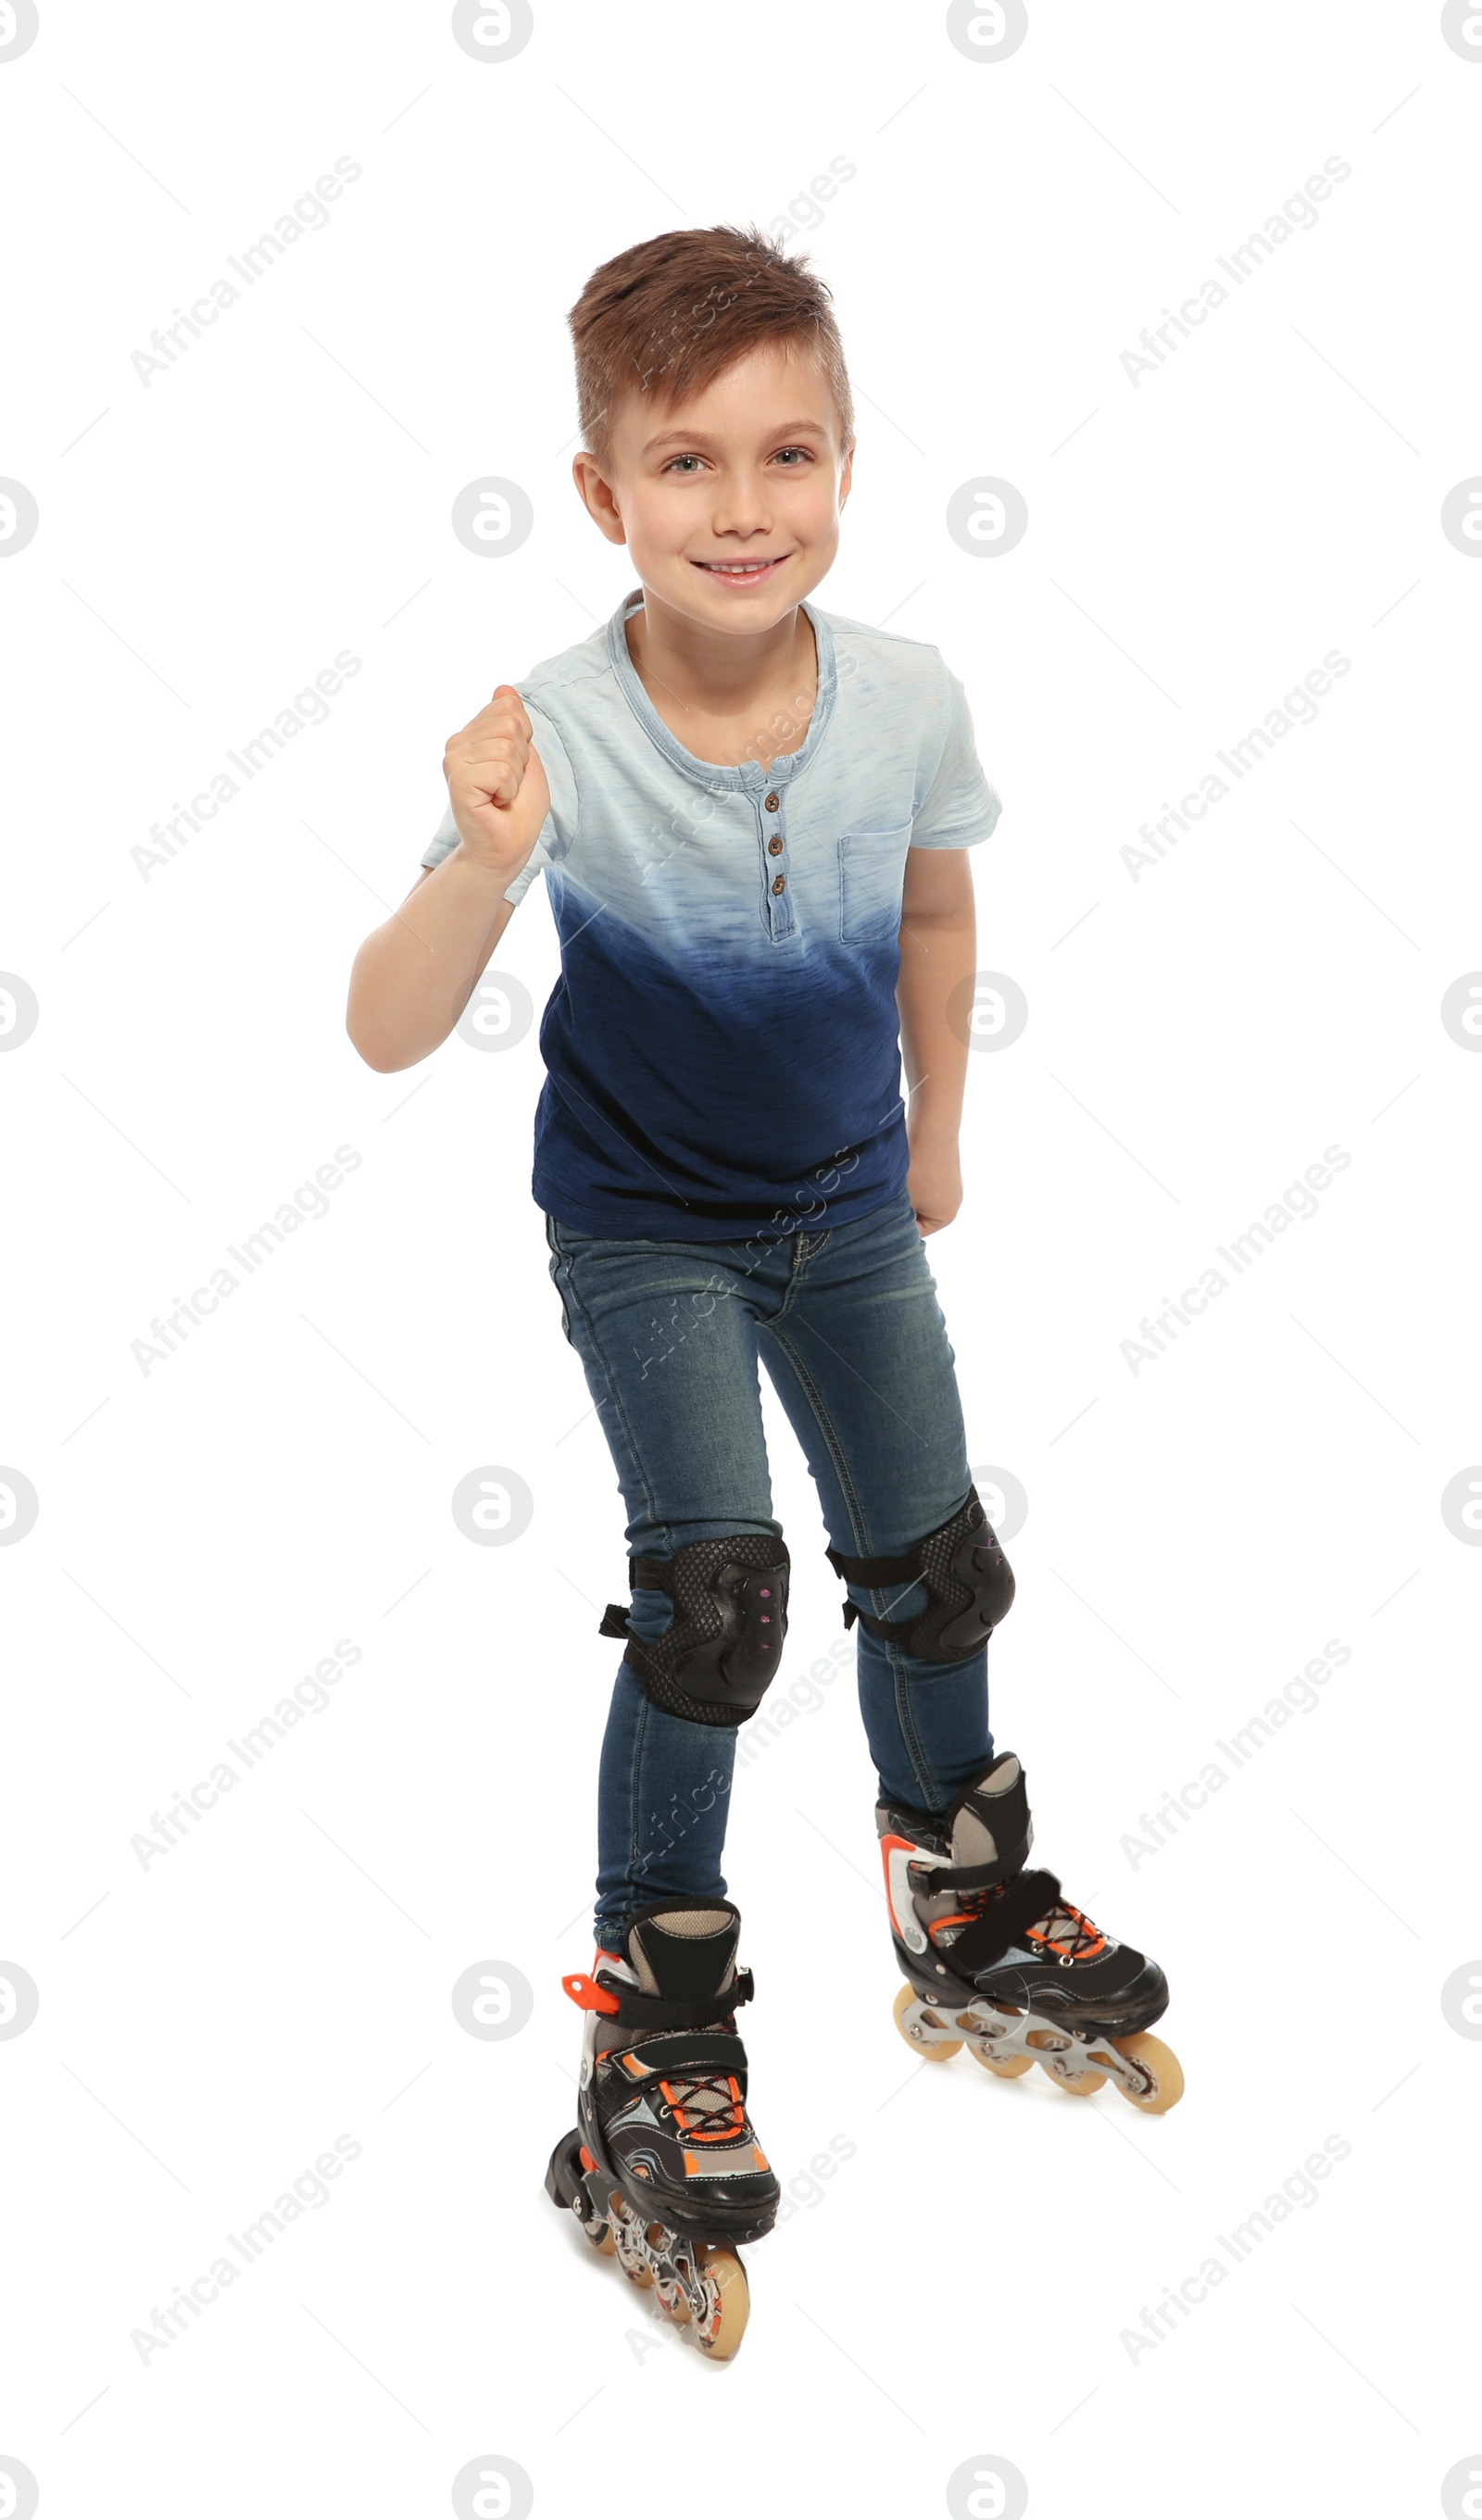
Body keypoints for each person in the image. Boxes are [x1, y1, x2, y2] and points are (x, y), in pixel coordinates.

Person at [346, 224, 1180, 2362]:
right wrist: (473, 856)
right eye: (687, 464)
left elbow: (929, 901)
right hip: (642, 1223)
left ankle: (962, 1891)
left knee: (935, 1560)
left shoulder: (902, 688)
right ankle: (656, 2025)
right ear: (604, 494)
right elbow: (378, 1025)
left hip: (846, 1205)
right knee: (714, 1601)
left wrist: (932, 1132)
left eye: (787, 453)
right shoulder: (546, 727)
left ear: (842, 462)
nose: (745, 508)